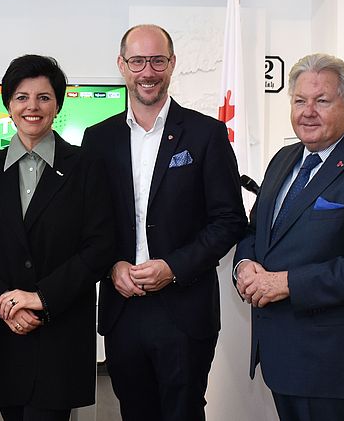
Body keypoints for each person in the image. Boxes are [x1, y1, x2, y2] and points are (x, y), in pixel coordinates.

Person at [233, 53, 344, 421]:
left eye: (321, 101)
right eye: (300, 101)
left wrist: (289, 283)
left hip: (338, 367)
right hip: (282, 358)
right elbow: (257, 230)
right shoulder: (284, 159)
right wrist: (244, 265)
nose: (308, 112)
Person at [81, 24, 247, 420]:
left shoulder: (206, 134)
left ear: (172, 64)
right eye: (137, 61)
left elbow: (229, 220)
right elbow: (88, 223)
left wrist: (173, 268)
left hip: (184, 308)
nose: (147, 71)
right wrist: (111, 265)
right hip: (123, 307)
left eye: (157, 60)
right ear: (122, 66)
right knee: (135, 412)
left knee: (183, 412)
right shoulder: (97, 139)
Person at [0, 54, 115, 421]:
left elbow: (100, 246)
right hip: (3, 332)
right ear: (8, 103)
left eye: (44, 97)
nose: (33, 107)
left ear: (57, 105)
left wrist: (40, 297)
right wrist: (2, 301)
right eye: (22, 96)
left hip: (59, 333)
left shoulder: (86, 166)